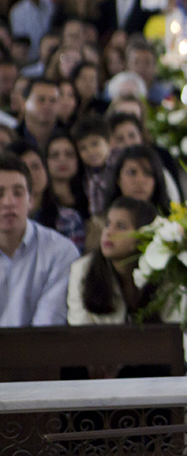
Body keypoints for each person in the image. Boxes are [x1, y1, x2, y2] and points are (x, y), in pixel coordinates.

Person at [0, 152, 78, 326]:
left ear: (31, 199)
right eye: (0, 194)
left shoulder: (60, 251)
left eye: (18, 193)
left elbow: (47, 328)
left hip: (40, 351)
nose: (8, 202)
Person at [67, 196, 165, 325]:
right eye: (107, 224)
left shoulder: (164, 270)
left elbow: (177, 328)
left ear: (143, 236)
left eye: (121, 226)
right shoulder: (82, 270)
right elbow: (80, 334)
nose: (108, 232)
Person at [8, 139, 86, 252]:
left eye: (35, 166)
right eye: (23, 168)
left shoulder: (68, 220)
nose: (30, 174)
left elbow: (74, 266)